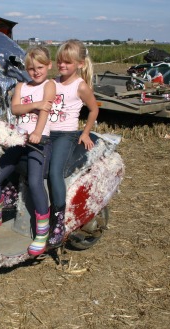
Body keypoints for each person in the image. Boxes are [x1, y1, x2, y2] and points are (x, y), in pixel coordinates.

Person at [0, 46, 55, 256]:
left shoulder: (49, 85)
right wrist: (36, 104)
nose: (36, 72)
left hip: (39, 141)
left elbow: (45, 111)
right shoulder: (21, 86)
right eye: (31, 68)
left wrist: (38, 133)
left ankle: (42, 232)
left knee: (34, 182)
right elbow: (15, 109)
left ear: (48, 66)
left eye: (40, 67)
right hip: (19, 139)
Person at [48, 39, 99, 247]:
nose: (62, 66)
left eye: (67, 62)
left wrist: (85, 133)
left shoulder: (80, 86)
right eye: (60, 61)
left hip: (65, 135)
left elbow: (94, 109)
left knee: (54, 172)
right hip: (46, 133)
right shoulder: (53, 83)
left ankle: (58, 222)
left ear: (79, 64)